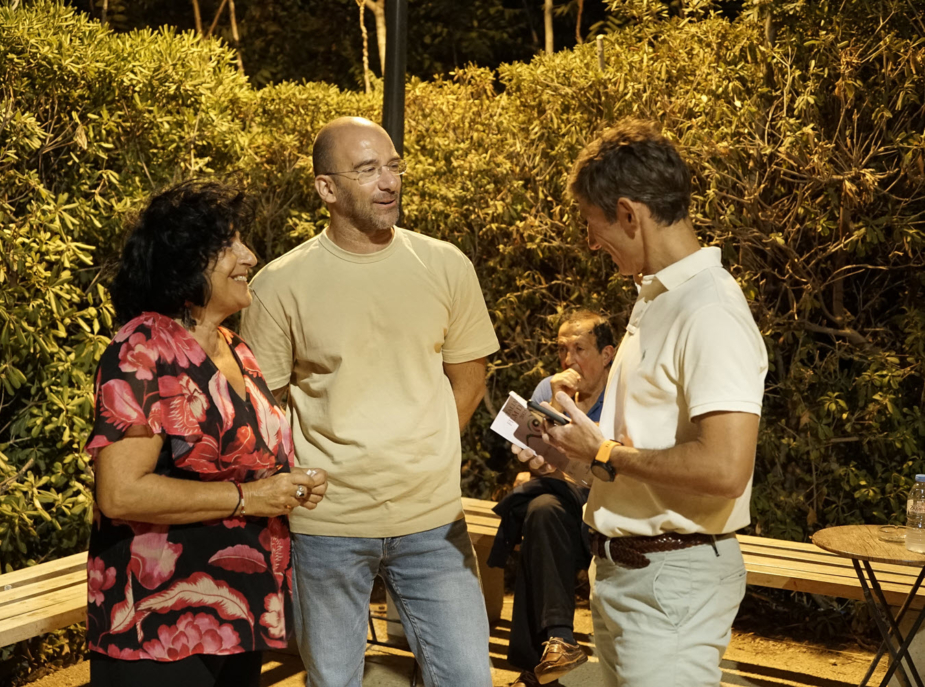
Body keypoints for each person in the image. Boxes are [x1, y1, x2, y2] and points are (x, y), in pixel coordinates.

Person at [241, 116, 500, 687]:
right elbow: (264, 406)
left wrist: (429, 454)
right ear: (326, 189)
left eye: (393, 166)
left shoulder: (445, 264)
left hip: (433, 520)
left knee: (467, 677)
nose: (389, 182)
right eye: (367, 170)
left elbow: (469, 377)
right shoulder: (279, 284)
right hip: (326, 526)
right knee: (334, 681)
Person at [515, 120, 768, 687]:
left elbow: (726, 469)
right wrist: (572, 456)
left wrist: (603, 450)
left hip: (670, 581)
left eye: (592, 222)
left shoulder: (709, 310)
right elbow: (636, 461)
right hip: (630, 574)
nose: (591, 241)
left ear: (629, 214)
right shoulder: (657, 300)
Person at [84, 180, 328, 687]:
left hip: (239, 612)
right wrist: (250, 497)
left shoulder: (235, 348)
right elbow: (120, 492)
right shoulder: (143, 349)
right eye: (231, 244)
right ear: (187, 261)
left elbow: (243, 460)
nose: (250, 256)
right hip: (157, 624)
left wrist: (288, 483)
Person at [494, 311, 615, 687]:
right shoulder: (547, 389)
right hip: (561, 507)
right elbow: (530, 459)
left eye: (579, 349)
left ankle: (536, 672)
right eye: (562, 349)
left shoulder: (621, 394)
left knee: (537, 510)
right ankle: (558, 642)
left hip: (607, 506)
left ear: (607, 354)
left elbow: (615, 464)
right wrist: (556, 403)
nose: (568, 359)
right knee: (541, 509)